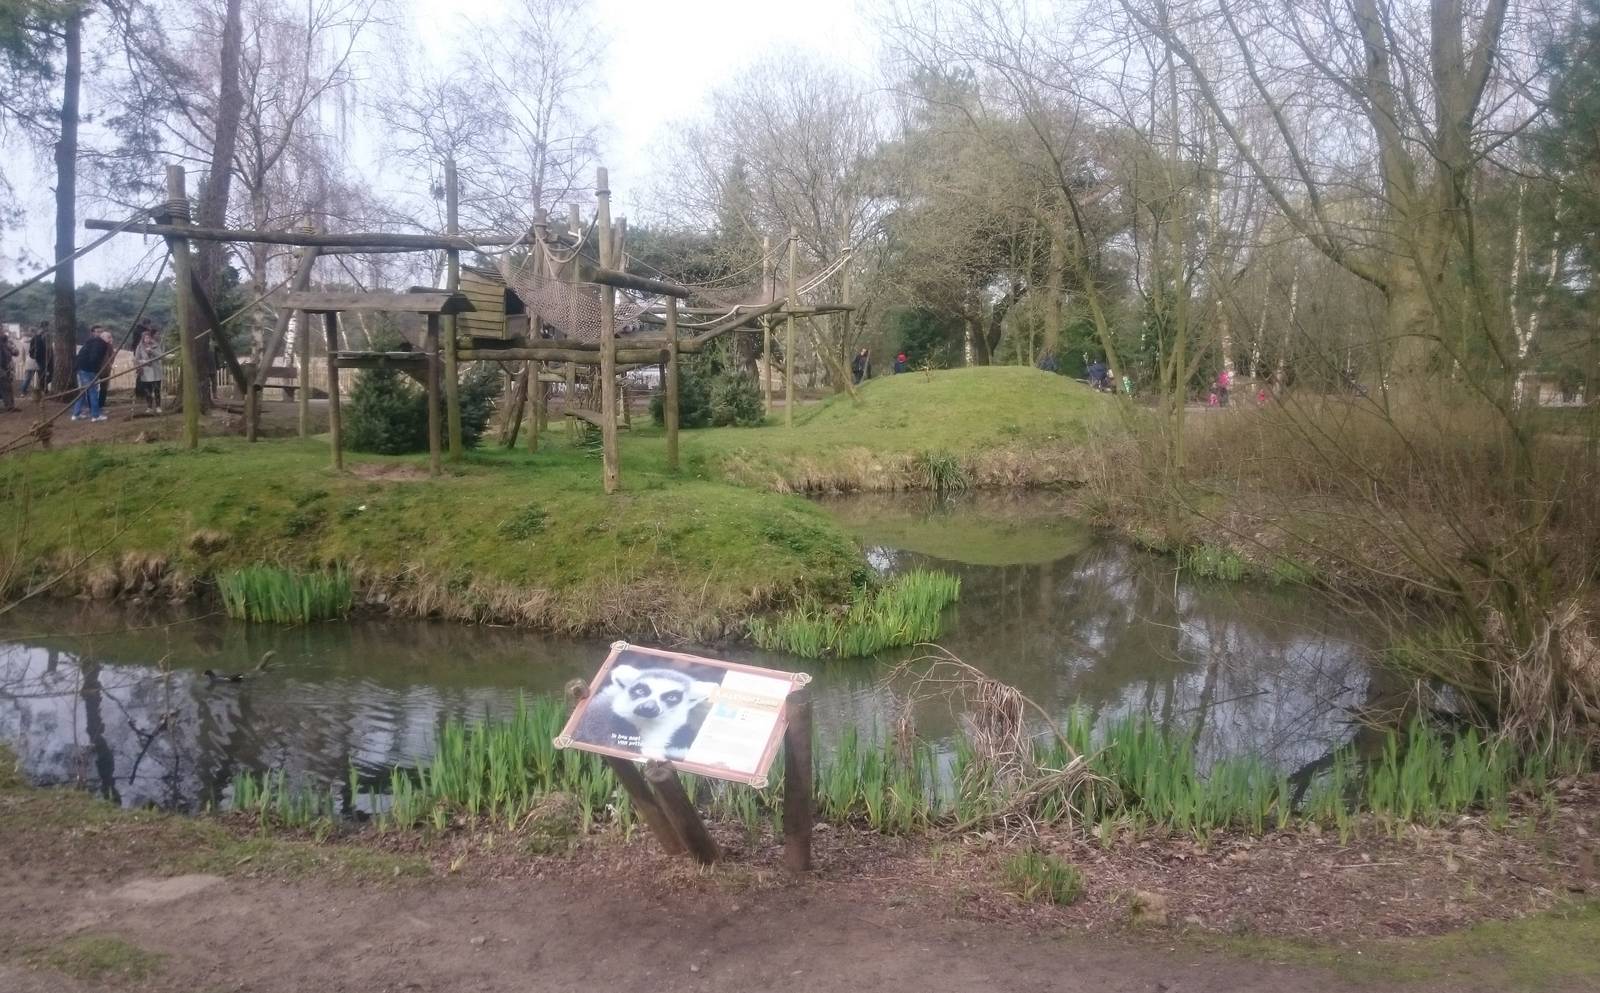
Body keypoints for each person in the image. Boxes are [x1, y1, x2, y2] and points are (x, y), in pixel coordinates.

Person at [71, 328, 110, 422]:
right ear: (103, 337)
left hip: (81, 368)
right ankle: (95, 416)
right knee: (93, 391)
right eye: (109, 337)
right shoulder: (100, 344)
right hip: (87, 369)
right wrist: (95, 371)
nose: (110, 339)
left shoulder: (93, 342)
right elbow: (94, 358)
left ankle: (76, 414)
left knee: (83, 391)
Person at [134, 325, 164, 412]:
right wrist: (142, 361)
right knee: (148, 391)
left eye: (148, 337)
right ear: (142, 338)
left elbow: (160, 356)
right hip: (146, 372)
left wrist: (152, 351)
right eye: (145, 338)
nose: (147, 339)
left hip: (156, 371)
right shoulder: (139, 347)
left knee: (157, 390)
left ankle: (158, 406)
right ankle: (149, 407)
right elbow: (136, 359)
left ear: (151, 338)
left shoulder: (156, 345)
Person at [96, 327, 115, 410]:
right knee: (94, 388)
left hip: (106, 370)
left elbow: (112, 357)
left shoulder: (109, 346)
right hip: (97, 369)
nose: (110, 339)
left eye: (110, 337)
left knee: (104, 388)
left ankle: (101, 404)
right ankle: (94, 405)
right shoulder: (98, 345)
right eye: (109, 337)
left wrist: (109, 364)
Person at [0, 329, 17, 412]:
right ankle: (9, 406)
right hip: (1, 369)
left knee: (8, 386)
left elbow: (16, 353)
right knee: (5, 386)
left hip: (6, 368)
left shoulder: (5, 344)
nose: (2, 333)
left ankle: (10, 406)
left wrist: (12, 347)